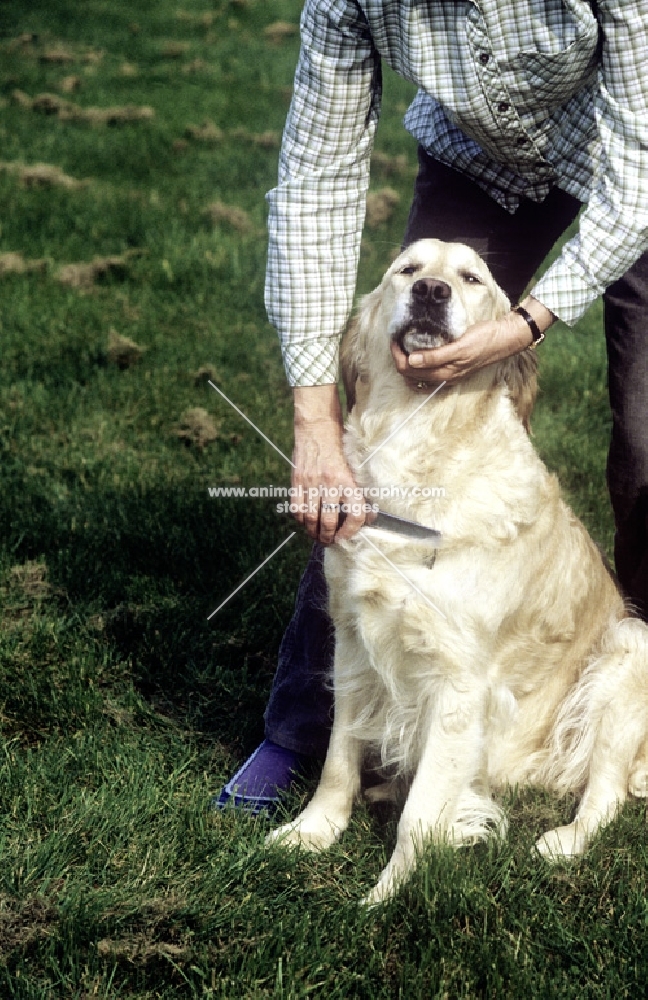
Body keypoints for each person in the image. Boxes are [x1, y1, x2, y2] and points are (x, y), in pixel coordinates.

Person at [216, 0, 648, 812]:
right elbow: (316, 182)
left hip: (634, 161)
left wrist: (522, 325)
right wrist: (317, 428)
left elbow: (640, 160)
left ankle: (620, 709)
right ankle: (301, 737)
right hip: (476, 166)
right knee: (381, 445)